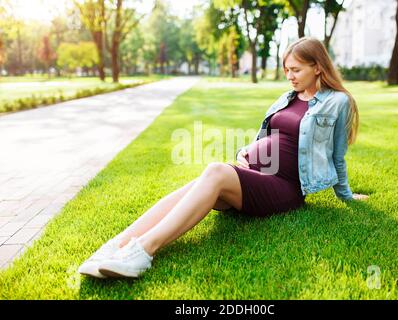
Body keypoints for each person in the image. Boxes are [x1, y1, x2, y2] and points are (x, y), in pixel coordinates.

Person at [78, 37, 369, 279]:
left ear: (317, 67)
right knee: (194, 187)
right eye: (286, 71)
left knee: (215, 171)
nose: (289, 76)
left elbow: (337, 155)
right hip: (258, 172)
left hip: (284, 186)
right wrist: (247, 150)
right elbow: (269, 135)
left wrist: (346, 195)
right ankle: (116, 246)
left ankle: (141, 253)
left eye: (295, 70)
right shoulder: (288, 97)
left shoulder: (337, 102)